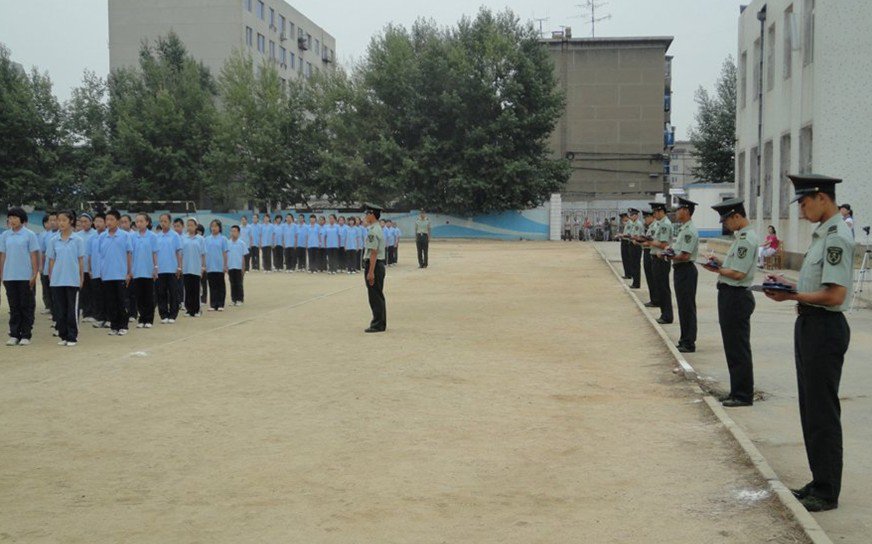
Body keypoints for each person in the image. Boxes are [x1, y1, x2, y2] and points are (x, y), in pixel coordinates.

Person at [764, 174, 854, 512]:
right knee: (810, 408)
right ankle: (819, 479)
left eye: (803, 203)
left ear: (821, 198)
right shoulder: (822, 235)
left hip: (825, 328)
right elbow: (819, 283)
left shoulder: (836, 238)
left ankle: (827, 490)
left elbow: (835, 294)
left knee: (822, 412)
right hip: (810, 324)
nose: (801, 210)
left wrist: (793, 295)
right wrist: (791, 285)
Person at [703, 198, 758, 407]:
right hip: (730, 295)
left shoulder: (746, 239)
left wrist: (717, 269)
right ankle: (737, 391)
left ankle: (743, 395)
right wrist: (719, 263)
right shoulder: (740, 237)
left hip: (736, 296)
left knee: (738, 347)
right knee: (732, 346)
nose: (725, 225)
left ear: (737, 216)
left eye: (727, 220)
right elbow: (732, 266)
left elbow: (737, 273)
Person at [0, 207, 40, 346]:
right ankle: (14, 334)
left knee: (26, 306)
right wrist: (2, 275)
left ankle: (26, 334)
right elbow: (3, 256)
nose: (12, 220)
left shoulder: (29, 235)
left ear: (22, 219)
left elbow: (34, 255)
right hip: (9, 276)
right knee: (14, 306)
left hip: (25, 276)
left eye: (15, 217)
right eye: (10, 217)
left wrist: (34, 274)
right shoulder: (5, 235)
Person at [46, 210, 85, 347]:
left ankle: (72, 336)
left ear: (71, 221)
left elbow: (80, 261)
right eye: (59, 220)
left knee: (71, 310)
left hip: (72, 280)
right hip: (57, 280)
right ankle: (63, 335)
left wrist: (81, 278)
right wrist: (51, 277)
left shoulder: (78, 240)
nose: (60, 223)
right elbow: (51, 260)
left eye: (63, 220)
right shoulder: (53, 241)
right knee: (60, 310)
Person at [666, 198, 699, 353]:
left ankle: (689, 342)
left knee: (687, 307)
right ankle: (684, 339)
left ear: (686, 211)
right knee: (683, 307)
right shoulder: (684, 228)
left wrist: (669, 256)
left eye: (678, 209)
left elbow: (685, 255)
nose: (676, 212)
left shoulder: (689, 230)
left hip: (686, 270)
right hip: (681, 270)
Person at [98, 210, 133, 336]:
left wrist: (129, 272)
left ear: (117, 221)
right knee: (110, 301)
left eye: (112, 219)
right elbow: (100, 256)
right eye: (107, 219)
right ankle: (114, 326)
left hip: (121, 274)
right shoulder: (102, 236)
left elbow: (129, 254)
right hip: (107, 274)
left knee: (122, 301)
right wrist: (101, 272)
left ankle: (123, 325)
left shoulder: (125, 235)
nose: (109, 222)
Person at [645, 202, 673, 324]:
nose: (654, 214)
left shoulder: (665, 225)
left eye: (655, 212)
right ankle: (664, 313)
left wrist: (650, 241)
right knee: (660, 287)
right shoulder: (661, 224)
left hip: (662, 259)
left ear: (661, 212)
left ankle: (667, 315)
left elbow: (663, 244)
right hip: (656, 258)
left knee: (663, 288)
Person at [131, 213, 159, 328]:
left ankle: (149, 319)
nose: (139, 223)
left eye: (141, 221)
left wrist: (155, 268)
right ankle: (141, 319)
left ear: (147, 222)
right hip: (137, 270)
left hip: (148, 270)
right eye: (137, 221)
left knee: (148, 296)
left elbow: (154, 253)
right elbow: (130, 254)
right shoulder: (133, 237)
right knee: (139, 296)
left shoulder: (152, 236)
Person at [362, 204, 387, 333]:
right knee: (378, 295)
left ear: (372, 215)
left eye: (366, 214)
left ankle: (377, 324)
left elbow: (373, 252)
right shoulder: (377, 228)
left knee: (375, 296)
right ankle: (380, 322)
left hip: (375, 265)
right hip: (378, 264)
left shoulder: (373, 230)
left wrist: (370, 272)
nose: (365, 217)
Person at [155, 213, 183, 324]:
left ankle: (173, 314)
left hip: (172, 268)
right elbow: (155, 253)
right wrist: (155, 267)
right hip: (160, 269)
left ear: (170, 222)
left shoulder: (175, 236)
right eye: (161, 221)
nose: (163, 223)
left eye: (165, 221)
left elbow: (178, 252)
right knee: (161, 293)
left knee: (173, 293)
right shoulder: (157, 236)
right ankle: (163, 314)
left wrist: (179, 267)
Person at [181, 218, 206, 317]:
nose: (190, 227)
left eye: (192, 225)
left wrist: (203, 267)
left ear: (196, 226)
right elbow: (181, 253)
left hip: (196, 268)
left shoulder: (200, 239)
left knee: (196, 289)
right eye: (188, 225)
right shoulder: (183, 238)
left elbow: (203, 254)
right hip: (186, 268)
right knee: (187, 289)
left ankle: (196, 309)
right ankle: (188, 309)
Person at [88, 213, 107, 328]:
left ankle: (110, 318)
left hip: (107, 272)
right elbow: (90, 255)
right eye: (96, 221)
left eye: (100, 221)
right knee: (98, 296)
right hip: (95, 271)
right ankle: (100, 318)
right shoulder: (92, 238)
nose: (98, 224)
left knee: (108, 296)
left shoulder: (108, 235)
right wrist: (90, 269)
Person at [204, 220, 229, 311]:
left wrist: (225, 265)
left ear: (219, 228)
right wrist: (204, 265)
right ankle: (213, 304)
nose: (213, 228)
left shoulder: (223, 239)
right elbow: (205, 253)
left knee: (220, 286)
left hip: (219, 266)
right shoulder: (206, 239)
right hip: (210, 266)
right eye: (212, 226)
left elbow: (225, 253)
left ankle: (220, 304)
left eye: (215, 226)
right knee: (212, 285)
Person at [38, 212, 58, 316]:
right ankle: (50, 307)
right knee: (48, 289)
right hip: (47, 267)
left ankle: (57, 310)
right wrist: (41, 266)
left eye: (55, 220)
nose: (53, 222)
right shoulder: (46, 235)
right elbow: (42, 252)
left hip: (59, 269)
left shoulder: (61, 234)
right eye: (51, 220)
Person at [640, 210, 658, 307]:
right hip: (648, 251)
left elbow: (652, 242)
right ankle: (653, 299)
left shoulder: (654, 227)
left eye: (646, 217)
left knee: (652, 278)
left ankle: (655, 299)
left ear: (652, 217)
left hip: (651, 252)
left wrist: (640, 242)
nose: (645, 220)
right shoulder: (651, 227)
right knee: (650, 278)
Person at [227, 225, 248, 306]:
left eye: (235, 231)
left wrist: (243, 268)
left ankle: (240, 299)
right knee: (232, 283)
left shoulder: (242, 243)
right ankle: (233, 299)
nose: (233, 233)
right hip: (231, 266)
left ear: (238, 233)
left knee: (239, 283)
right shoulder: (228, 243)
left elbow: (243, 257)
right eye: (232, 231)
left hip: (239, 267)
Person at [626, 208, 643, 289]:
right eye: (630, 215)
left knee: (636, 265)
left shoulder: (638, 224)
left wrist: (631, 237)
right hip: (632, 244)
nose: (630, 217)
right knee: (633, 264)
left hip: (636, 245)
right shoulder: (633, 224)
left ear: (636, 215)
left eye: (632, 215)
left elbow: (636, 236)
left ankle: (636, 283)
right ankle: (635, 282)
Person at [196, 223, 208, 305]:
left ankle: (204, 299)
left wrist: (204, 266)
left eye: (199, 232)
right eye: (197, 231)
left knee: (204, 283)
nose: (198, 233)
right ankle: (197, 298)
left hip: (204, 265)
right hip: (196, 264)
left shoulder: (205, 240)